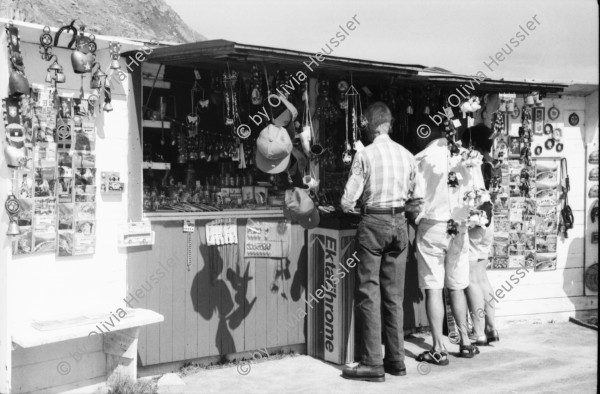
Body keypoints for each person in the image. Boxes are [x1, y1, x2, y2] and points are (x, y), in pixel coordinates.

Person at [340, 102, 419, 382]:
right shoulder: (407, 155)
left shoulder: (366, 155)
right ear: (390, 123)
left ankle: (372, 363)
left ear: (369, 125)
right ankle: (396, 360)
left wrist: (351, 205)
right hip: (400, 224)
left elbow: (348, 200)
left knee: (369, 292)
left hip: (373, 223)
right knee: (394, 296)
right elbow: (417, 199)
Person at [413, 119, 483, 365]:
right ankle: (465, 341)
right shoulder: (467, 156)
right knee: (457, 285)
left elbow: (415, 197)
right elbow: (479, 194)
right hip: (458, 225)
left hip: (433, 224)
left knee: (434, 287)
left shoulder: (423, 157)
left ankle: (439, 348)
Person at [461, 124, 499, 346]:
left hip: (475, 220)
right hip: (488, 219)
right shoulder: (491, 163)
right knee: (483, 277)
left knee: (473, 279)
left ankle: (478, 332)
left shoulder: (471, 162)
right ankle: (491, 327)